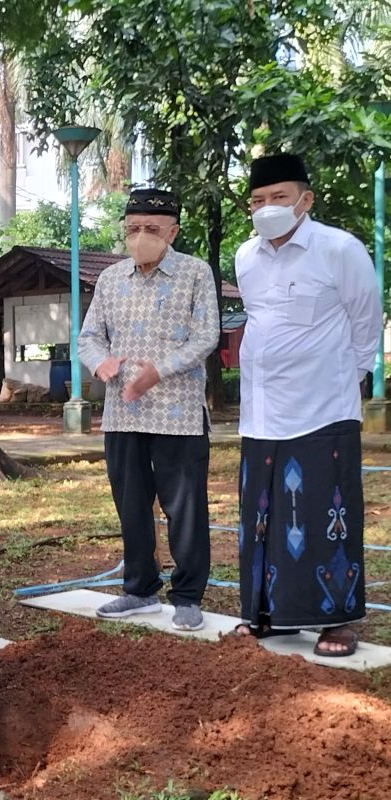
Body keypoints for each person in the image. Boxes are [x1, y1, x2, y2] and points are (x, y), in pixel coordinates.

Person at [234, 154, 381, 657]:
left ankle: (336, 621)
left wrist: (345, 378)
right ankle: (269, 615)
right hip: (260, 413)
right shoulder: (245, 256)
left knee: (325, 515)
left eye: (279, 197)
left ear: (305, 200)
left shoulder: (340, 249)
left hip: (324, 410)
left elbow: (366, 324)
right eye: (258, 200)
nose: (267, 208)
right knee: (264, 518)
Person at [78, 189, 220, 632]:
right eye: (133, 229)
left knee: (185, 508)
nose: (140, 237)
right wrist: (100, 362)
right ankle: (138, 589)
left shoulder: (195, 274)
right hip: (123, 413)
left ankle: (188, 596)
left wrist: (159, 370)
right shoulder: (110, 279)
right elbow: (88, 337)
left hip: (177, 413)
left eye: (152, 230)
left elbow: (206, 336)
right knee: (132, 505)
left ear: (173, 232)